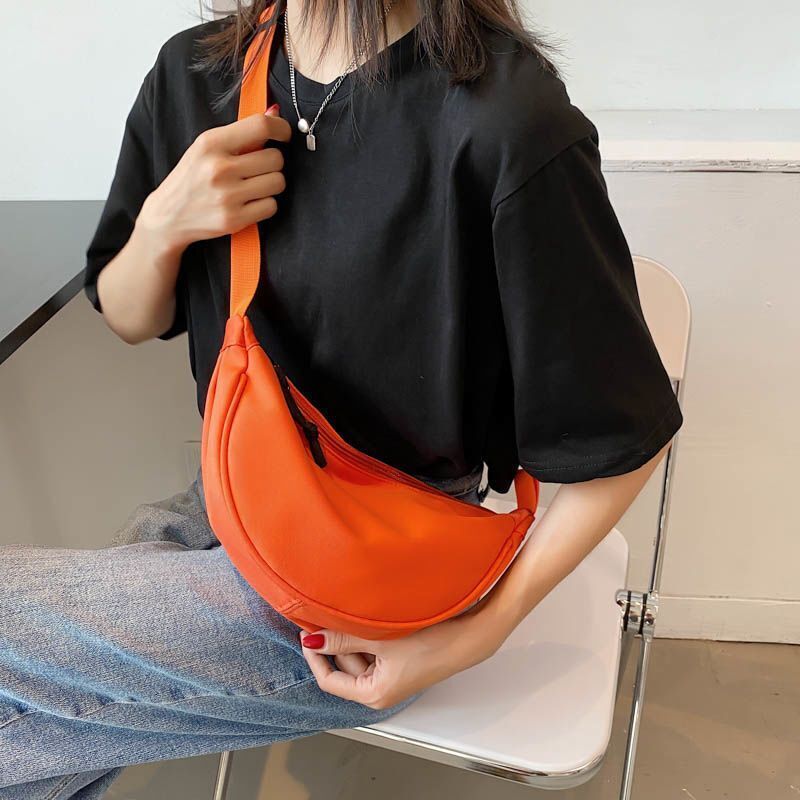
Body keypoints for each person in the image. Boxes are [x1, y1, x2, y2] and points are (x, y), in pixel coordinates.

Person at [0, 0, 684, 796]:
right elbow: (129, 316)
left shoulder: (507, 120)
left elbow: (623, 440)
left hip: (379, 586)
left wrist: (479, 632)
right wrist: (164, 224)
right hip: (227, 501)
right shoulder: (195, 74)